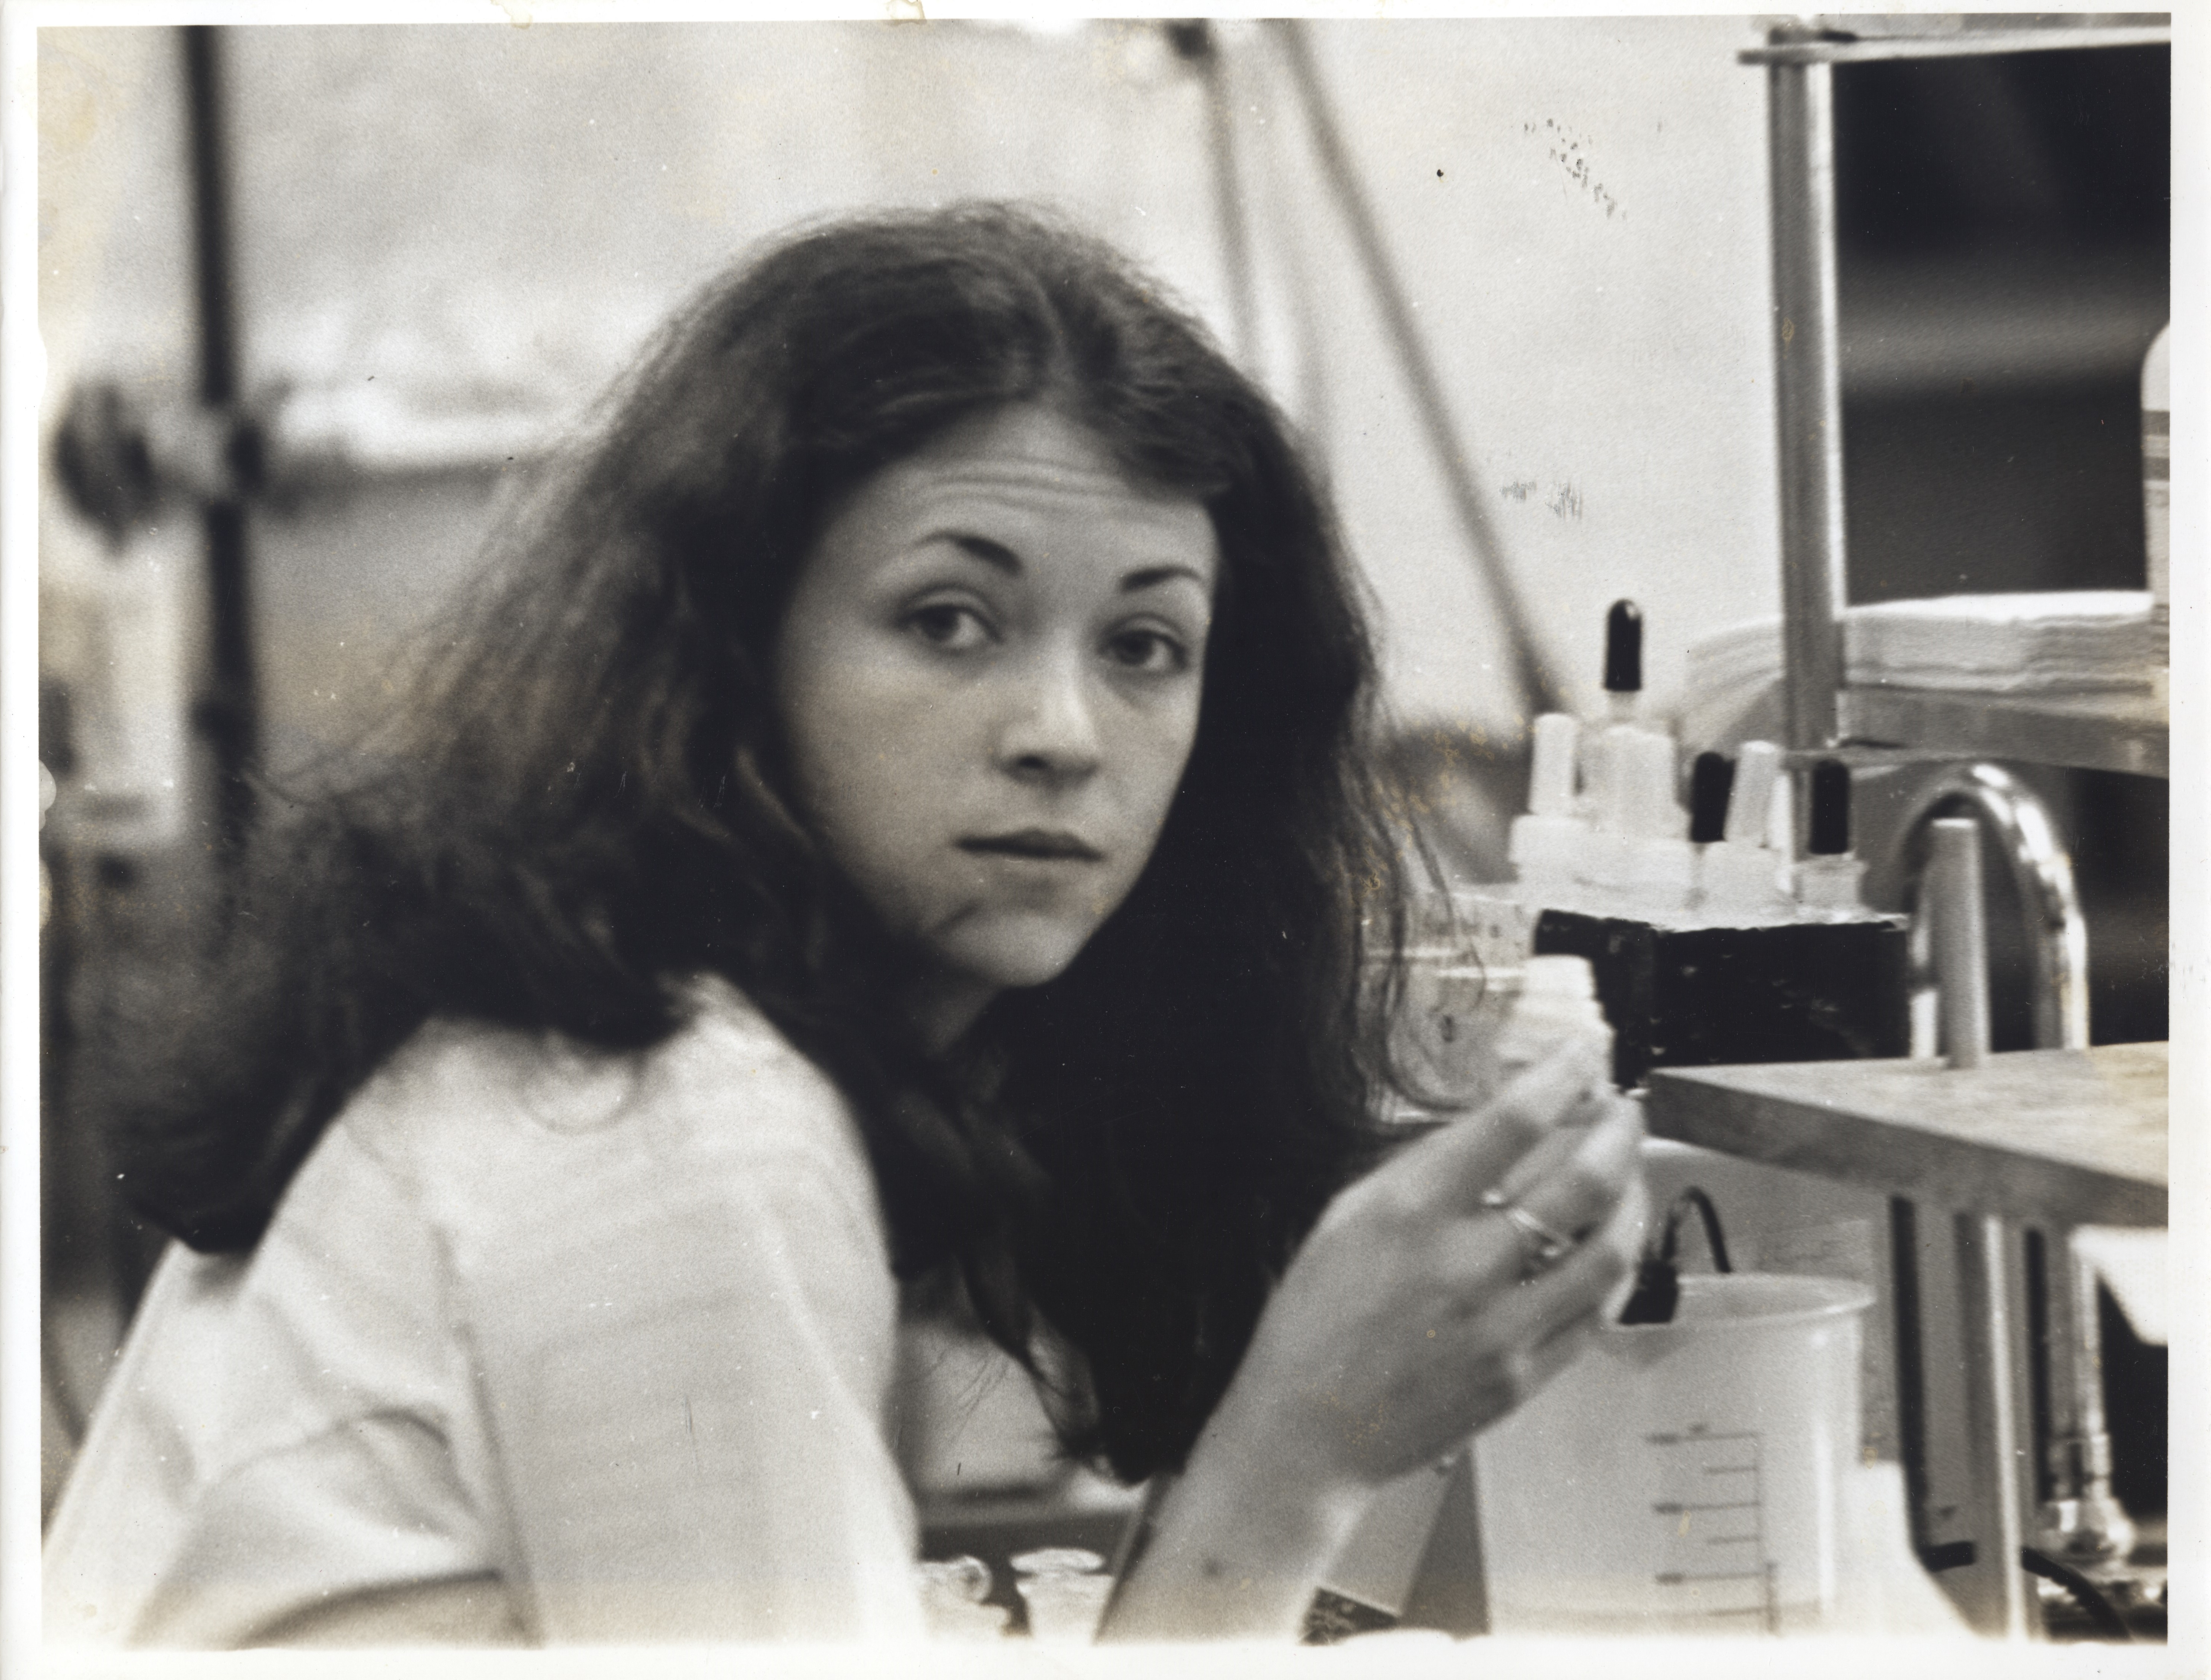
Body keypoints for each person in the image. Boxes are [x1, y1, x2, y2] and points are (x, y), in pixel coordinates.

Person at [44, 203, 1643, 1647]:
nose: (1062, 733)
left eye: (1145, 645)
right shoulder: (671, 1115)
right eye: (950, 620)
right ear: (734, 655)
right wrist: (1295, 1456)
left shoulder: (589, 1031)